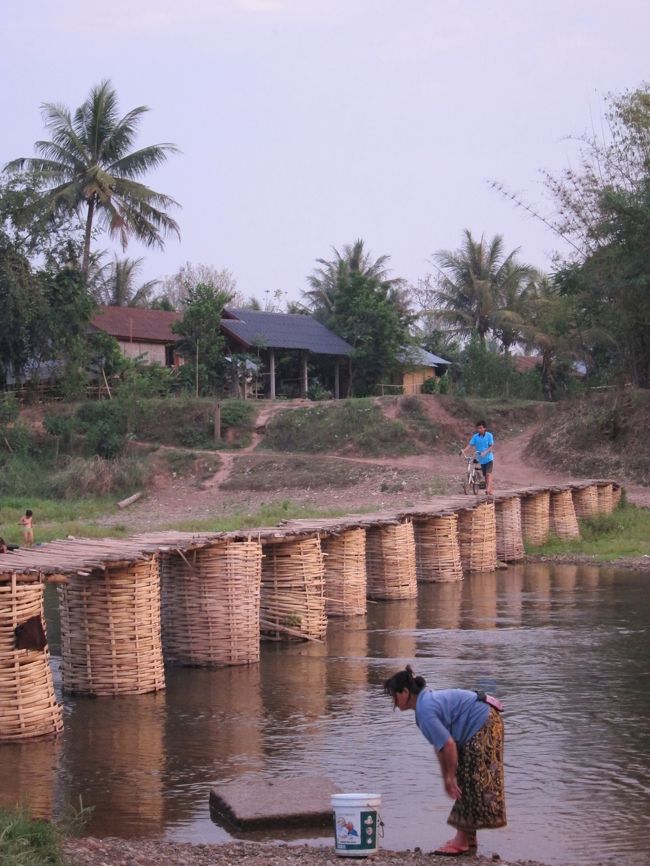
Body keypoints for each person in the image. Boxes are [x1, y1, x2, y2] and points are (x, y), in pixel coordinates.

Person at [383, 665, 506, 856]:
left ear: (406, 692)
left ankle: (462, 841)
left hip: (484, 723)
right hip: (485, 720)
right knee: (466, 779)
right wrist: (446, 778)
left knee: (469, 780)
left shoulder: (425, 711)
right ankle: (468, 839)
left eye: (394, 695)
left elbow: (448, 745)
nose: (394, 701)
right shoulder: (424, 708)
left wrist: (450, 778)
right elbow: (440, 747)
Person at [462, 420, 494, 496]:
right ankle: (489, 489)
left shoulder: (489, 435)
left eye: (480, 428)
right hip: (481, 459)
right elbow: (470, 445)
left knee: (488, 474)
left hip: (489, 458)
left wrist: (485, 452)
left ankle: (488, 489)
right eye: (478, 428)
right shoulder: (475, 437)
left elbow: (491, 446)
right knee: (485, 475)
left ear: (484, 428)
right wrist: (463, 450)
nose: (479, 430)